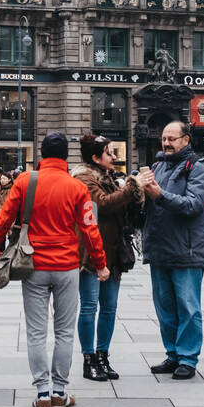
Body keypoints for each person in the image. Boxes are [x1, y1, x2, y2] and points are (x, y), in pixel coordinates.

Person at [0, 132, 108, 407]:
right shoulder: (77, 187)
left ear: (41, 153)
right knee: (65, 332)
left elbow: (3, 219)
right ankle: (60, 391)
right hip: (67, 266)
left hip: (34, 265)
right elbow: (90, 229)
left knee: (36, 332)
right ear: (66, 156)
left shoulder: (26, 181)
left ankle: (42, 393)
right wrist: (100, 264)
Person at [138, 121, 204, 380]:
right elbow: (148, 208)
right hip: (159, 249)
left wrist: (159, 195)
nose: (166, 143)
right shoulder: (158, 167)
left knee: (188, 307)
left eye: (172, 138)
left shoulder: (199, 169)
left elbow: (193, 205)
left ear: (186, 140)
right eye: (164, 138)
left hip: (187, 251)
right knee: (165, 307)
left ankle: (188, 358)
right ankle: (172, 354)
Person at [73, 132, 142, 381]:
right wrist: (133, 186)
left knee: (109, 308)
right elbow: (102, 204)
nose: (114, 157)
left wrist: (136, 196)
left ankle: (103, 356)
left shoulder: (108, 177)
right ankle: (88, 358)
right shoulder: (84, 179)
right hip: (90, 252)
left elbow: (121, 207)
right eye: (109, 152)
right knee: (90, 306)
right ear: (95, 157)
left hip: (113, 250)